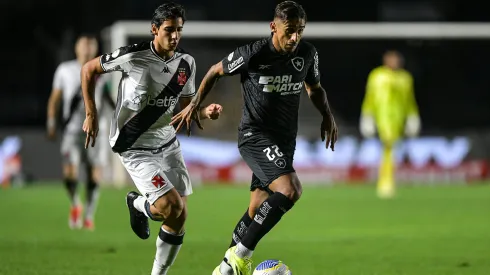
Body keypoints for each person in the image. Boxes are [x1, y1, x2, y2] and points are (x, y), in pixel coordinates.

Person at [171, 1, 338, 274]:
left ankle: (225, 268)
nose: (294, 37)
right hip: (255, 135)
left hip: (284, 141)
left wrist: (327, 114)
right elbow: (215, 71)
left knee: (257, 207)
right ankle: (239, 257)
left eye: (300, 30)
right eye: (289, 30)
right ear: (274, 27)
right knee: (290, 190)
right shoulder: (254, 53)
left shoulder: (307, 54)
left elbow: (315, 88)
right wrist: (194, 104)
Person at [80, 2, 222, 274]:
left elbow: (186, 110)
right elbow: (88, 70)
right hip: (134, 146)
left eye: (179, 30)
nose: (175, 36)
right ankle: (137, 202)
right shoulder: (134, 56)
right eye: (169, 30)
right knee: (171, 205)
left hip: (167, 143)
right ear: (154, 29)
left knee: (178, 215)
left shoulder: (186, 64)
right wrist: (92, 114)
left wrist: (204, 111)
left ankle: (156, 266)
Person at [47, 34, 115, 230]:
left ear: (95, 48)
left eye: (90, 45)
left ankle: (89, 215)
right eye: (83, 45)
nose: (86, 49)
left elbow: (109, 99)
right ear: (76, 48)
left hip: (96, 131)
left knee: (95, 174)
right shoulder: (65, 70)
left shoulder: (103, 71)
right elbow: (55, 99)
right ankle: (76, 203)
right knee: (70, 173)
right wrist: (52, 123)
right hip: (72, 130)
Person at [360, 50, 421, 198]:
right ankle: (385, 183)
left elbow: (410, 100)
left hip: (398, 119)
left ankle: (388, 181)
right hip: (382, 117)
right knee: (388, 148)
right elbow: (370, 97)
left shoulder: (405, 78)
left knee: (391, 150)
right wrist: (367, 116)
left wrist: (413, 117)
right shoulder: (377, 76)